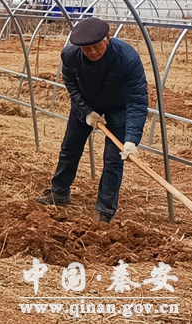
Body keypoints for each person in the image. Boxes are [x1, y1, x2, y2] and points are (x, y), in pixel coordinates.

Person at [35, 17, 148, 224]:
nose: (93, 52)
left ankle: (105, 211)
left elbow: (137, 101)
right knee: (70, 148)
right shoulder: (70, 56)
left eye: (97, 46)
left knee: (113, 160)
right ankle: (59, 193)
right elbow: (71, 84)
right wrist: (86, 111)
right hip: (85, 105)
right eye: (87, 49)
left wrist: (131, 139)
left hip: (118, 109)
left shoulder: (127, 59)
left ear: (108, 38)